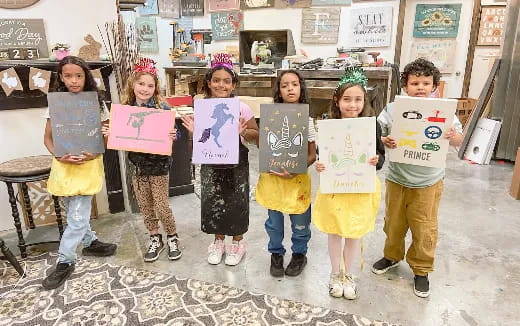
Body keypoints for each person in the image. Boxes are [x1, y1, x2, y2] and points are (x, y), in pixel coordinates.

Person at [372, 58, 463, 298]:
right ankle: (392, 256)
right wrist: (384, 140)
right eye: (415, 83)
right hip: (397, 178)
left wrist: (452, 135)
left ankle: (421, 269)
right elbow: (377, 134)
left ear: (434, 86)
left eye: (426, 82)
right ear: (405, 85)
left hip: (428, 181)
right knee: (393, 222)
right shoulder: (393, 109)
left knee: (424, 227)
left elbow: (458, 141)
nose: (420, 87)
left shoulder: (444, 111)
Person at [42, 56, 117, 290]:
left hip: (87, 165)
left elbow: (104, 138)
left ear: (86, 77)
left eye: (78, 75)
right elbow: (47, 138)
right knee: (75, 213)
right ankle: (90, 242)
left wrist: (105, 135)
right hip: (65, 166)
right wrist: (58, 155)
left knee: (77, 217)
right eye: (68, 76)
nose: (74, 81)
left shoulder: (96, 103)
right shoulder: (55, 104)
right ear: (61, 78)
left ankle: (65, 260)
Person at [313, 67, 385, 299]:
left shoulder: (371, 126)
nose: (352, 105)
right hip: (335, 188)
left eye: (358, 100)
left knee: (354, 232)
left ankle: (349, 274)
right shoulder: (328, 124)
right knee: (335, 231)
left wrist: (376, 160)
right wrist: (320, 165)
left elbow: (381, 156)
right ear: (337, 101)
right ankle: (336, 273)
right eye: (347, 99)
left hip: (361, 188)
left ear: (364, 101)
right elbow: (323, 155)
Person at [181, 53, 259, 266]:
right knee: (213, 200)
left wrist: (243, 132)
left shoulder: (241, 108)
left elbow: (256, 135)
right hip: (211, 164)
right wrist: (192, 133)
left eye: (226, 81)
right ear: (208, 82)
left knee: (237, 201)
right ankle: (218, 242)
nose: (221, 85)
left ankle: (237, 243)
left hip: (236, 165)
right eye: (216, 80)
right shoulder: (202, 107)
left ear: (233, 84)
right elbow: (197, 143)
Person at [104, 58, 181, 262]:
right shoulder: (125, 109)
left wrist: (175, 135)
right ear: (133, 84)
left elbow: (175, 133)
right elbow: (119, 135)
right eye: (141, 84)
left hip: (159, 165)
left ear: (155, 88)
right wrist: (111, 132)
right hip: (137, 166)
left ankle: (172, 236)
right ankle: (155, 237)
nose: (145, 89)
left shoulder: (161, 108)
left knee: (161, 204)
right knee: (145, 205)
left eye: (150, 85)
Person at [255, 70, 316, 277]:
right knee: (274, 223)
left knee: (300, 222)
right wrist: (252, 134)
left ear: (301, 88)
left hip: (296, 180)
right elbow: (263, 146)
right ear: (279, 91)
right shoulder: (270, 116)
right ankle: (276, 253)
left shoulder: (307, 119)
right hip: (273, 180)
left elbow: (312, 154)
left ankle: (299, 254)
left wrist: (295, 169)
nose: (290, 88)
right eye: (284, 85)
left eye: (295, 84)